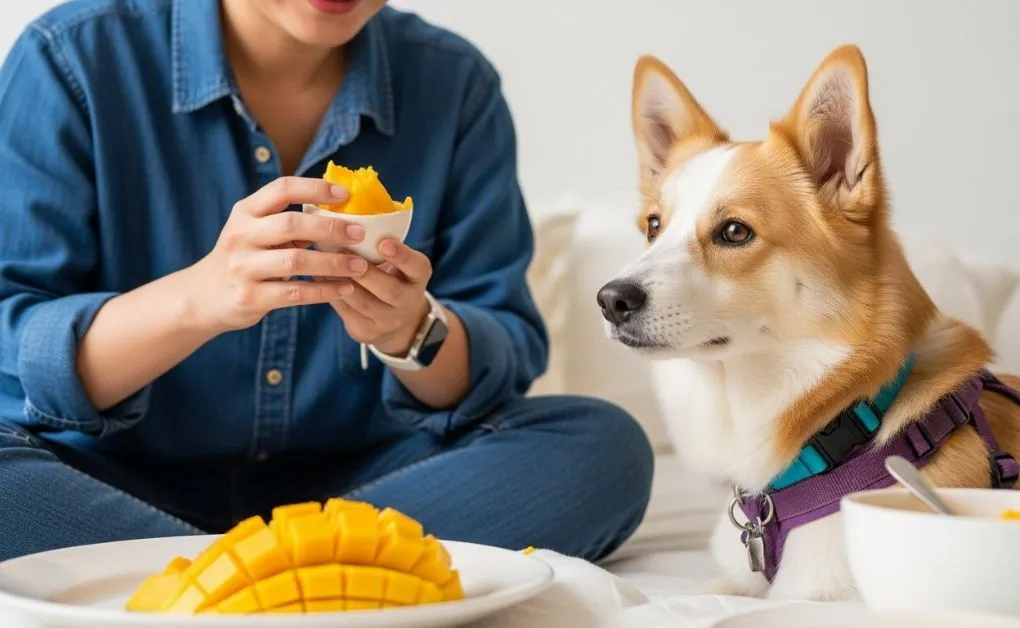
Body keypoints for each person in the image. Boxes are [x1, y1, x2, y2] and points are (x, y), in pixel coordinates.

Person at [0, 0, 653, 563]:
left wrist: (411, 331)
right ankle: (307, 580)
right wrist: (198, 299)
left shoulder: (455, 86)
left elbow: (498, 352)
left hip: (369, 489)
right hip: (105, 480)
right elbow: (14, 346)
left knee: (603, 446)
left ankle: (206, 584)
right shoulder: (72, 59)